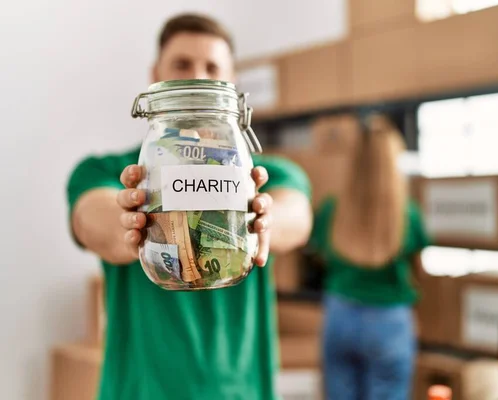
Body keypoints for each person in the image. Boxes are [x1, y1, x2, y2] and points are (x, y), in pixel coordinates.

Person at [66, 14, 313, 400]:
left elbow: (296, 216)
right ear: (156, 77)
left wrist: (265, 219)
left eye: (211, 67)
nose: (197, 77)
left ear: (231, 86)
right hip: (140, 390)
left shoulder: (266, 173)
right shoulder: (111, 172)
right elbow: (88, 217)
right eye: (182, 64)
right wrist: (129, 220)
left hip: (241, 391)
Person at [308, 114, 430, 400]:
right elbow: (418, 271)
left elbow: (321, 256)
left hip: (340, 313)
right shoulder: (407, 215)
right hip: (389, 318)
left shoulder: (331, 209)